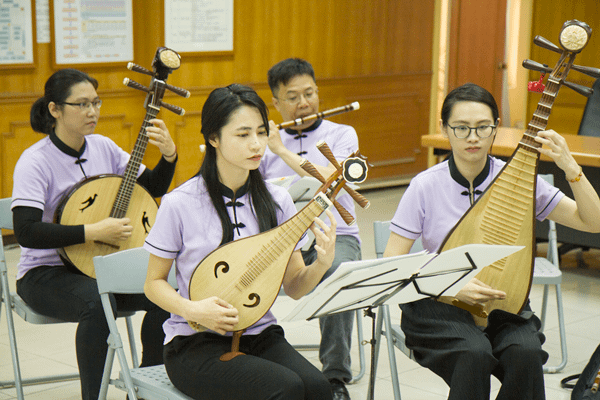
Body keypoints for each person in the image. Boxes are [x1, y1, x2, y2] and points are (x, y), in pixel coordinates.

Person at [384, 82, 600, 400]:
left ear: (496, 128)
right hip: (438, 305)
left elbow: (592, 221)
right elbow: (393, 261)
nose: (473, 137)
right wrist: (449, 284)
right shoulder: (425, 186)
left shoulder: (520, 182)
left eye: (482, 127)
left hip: (504, 303)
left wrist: (570, 167)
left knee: (525, 353)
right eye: (461, 128)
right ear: (444, 129)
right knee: (474, 352)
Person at [143, 83, 337, 400]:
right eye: (243, 134)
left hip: (260, 332)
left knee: (318, 390)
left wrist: (321, 265)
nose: (256, 144)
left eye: (261, 132)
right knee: (284, 389)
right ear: (213, 138)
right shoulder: (180, 202)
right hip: (195, 341)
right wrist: (193, 308)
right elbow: (153, 282)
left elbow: (294, 286)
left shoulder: (278, 201)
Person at [11, 68, 177, 400]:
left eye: (97, 102)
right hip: (45, 274)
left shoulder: (103, 146)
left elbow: (153, 187)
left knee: (166, 294)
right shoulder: (34, 161)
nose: (93, 112)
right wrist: (92, 231)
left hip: (99, 267)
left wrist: (170, 155)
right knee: (97, 302)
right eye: (82, 104)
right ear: (55, 109)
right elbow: (26, 232)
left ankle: (144, 386)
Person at [259, 58, 361, 400]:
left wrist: (281, 153)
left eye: (310, 93)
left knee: (339, 271)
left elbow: (338, 181)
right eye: (292, 97)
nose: (304, 103)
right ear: (276, 103)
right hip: (283, 241)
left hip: (336, 235)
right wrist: (267, 147)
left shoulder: (341, 134)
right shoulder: (262, 143)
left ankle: (335, 375)